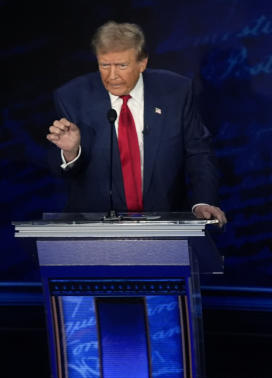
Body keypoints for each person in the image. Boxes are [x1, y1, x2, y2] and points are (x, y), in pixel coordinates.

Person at [45, 21, 227, 225]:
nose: (112, 76)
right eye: (104, 65)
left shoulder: (175, 91)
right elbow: (57, 170)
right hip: (95, 228)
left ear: (142, 63)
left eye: (122, 65)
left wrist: (203, 201)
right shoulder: (71, 96)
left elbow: (199, 152)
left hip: (166, 223)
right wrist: (71, 152)